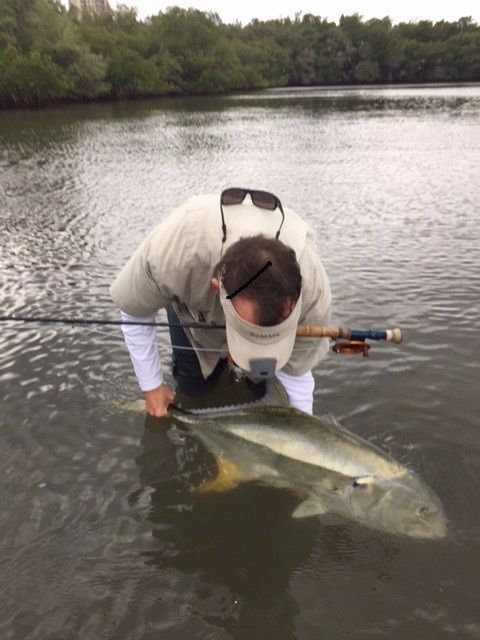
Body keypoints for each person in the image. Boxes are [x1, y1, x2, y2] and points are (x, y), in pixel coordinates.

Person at [110, 189, 331, 417]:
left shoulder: (314, 294)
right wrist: (152, 386)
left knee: (261, 387)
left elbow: (297, 374)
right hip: (194, 309)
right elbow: (134, 311)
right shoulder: (176, 255)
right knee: (193, 387)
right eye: (247, 336)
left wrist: (299, 430)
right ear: (217, 288)